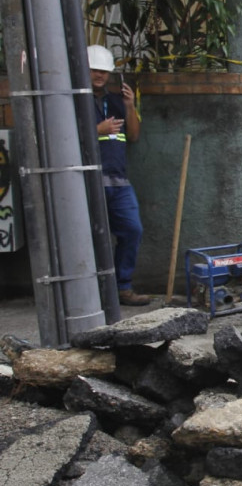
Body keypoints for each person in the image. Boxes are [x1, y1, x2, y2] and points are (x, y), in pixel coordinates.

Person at [89, 45, 150, 306]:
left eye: (103, 71)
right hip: (89, 182)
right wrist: (98, 130)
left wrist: (129, 105)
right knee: (92, 237)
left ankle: (122, 287)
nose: (99, 75)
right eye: (94, 70)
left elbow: (133, 135)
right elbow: (64, 139)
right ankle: (92, 294)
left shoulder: (114, 101)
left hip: (119, 181)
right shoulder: (75, 100)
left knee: (132, 230)